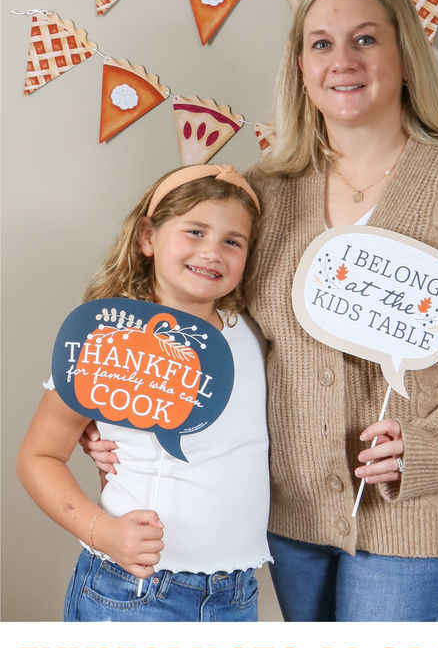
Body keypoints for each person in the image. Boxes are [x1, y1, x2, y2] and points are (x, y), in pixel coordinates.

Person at [82, 0, 438, 622]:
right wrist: (125, 409)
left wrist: (432, 450)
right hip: (289, 518)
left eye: (365, 40)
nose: (342, 60)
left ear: (405, 56)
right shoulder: (260, 195)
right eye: (321, 43)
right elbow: (202, 329)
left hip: (417, 520)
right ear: (300, 67)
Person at [17, 164, 271, 622]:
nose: (212, 252)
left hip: (235, 594)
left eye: (233, 241)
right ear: (147, 238)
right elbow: (38, 456)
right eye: (195, 231)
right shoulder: (106, 340)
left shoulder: (252, 335)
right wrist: (101, 531)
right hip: (136, 589)